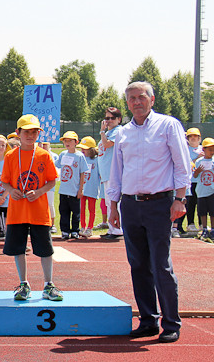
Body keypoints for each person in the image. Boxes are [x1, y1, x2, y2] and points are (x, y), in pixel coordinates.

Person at [107, 81, 190, 343]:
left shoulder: (168, 125)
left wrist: (180, 199)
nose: (137, 102)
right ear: (127, 103)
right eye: (132, 98)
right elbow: (117, 171)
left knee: (160, 264)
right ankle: (148, 320)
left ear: (152, 100)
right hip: (131, 205)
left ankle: (171, 323)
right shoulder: (123, 133)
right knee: (138, 265)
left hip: (159, 204)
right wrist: (113, 205)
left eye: (141, 97)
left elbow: (182, 164)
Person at [1, 114, 62, 302]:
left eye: (34, 132)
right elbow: (4, 182)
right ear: (18, 133)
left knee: (46, 249)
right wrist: (11, 190)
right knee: (18, 248)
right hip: (17, 212)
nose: (30, 135)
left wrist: (40, 191)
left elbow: (52, 180)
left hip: (39, 212)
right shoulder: (11, 156)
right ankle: (23, 284)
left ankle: (48, 284)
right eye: (26, 132)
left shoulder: (44, 155)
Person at [56, 131, 88, 240]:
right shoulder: (63, 154)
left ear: (76, 142)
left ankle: (75, 230)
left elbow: (82, 173)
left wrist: (81, 189)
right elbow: (56, 165)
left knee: (75, 212)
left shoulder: (79, 156)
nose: (67, 143)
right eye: (65, 141)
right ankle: (65, 231)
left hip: (74, 190)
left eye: (70, 140)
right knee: (63, 211)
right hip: (63, 190)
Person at [98, 107, 124, 239]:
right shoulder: (109, 132)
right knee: (109, 202)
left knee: (115, 202)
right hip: (106, 173)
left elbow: (107, 144)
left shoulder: (118, 131)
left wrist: (102, 131)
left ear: (119, 119)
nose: (109, 120)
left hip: (113, 172)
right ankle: (112, 228)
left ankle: (118, 230)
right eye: (107, 118)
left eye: (112, 118)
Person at [77, 136, 100, 238]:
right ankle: (82, 226)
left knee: (91, 209)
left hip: (92, 188)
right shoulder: (81, 159)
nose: (82, 150)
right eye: (81, 148)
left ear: (91, 150)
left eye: (85, 149)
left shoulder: (97, 160)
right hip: (82, 189)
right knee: (81, 209)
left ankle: (90, 228)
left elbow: (100, 173)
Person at [184, 127, 204, 234]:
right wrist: (198, 158)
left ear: (199, 138)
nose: (193, 138)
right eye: (190, 136)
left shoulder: (204, 148)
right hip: (191, 180)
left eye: (195, 136)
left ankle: (202, 224)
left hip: (202, 181)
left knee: (201, 203)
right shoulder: (185, 149)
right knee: (190, 203)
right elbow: (187, 163)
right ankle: (190, 223)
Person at [193, 137, 214, 241]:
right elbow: (195, 175)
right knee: (202, 211)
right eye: (209, 150)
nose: (212, 152)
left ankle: (213, 229)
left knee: (213, 211)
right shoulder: (199, 161)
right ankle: (204, 228)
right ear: (204, 150)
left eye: (213, 150)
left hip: (212, 190)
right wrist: (197, 171)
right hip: (201, 190)